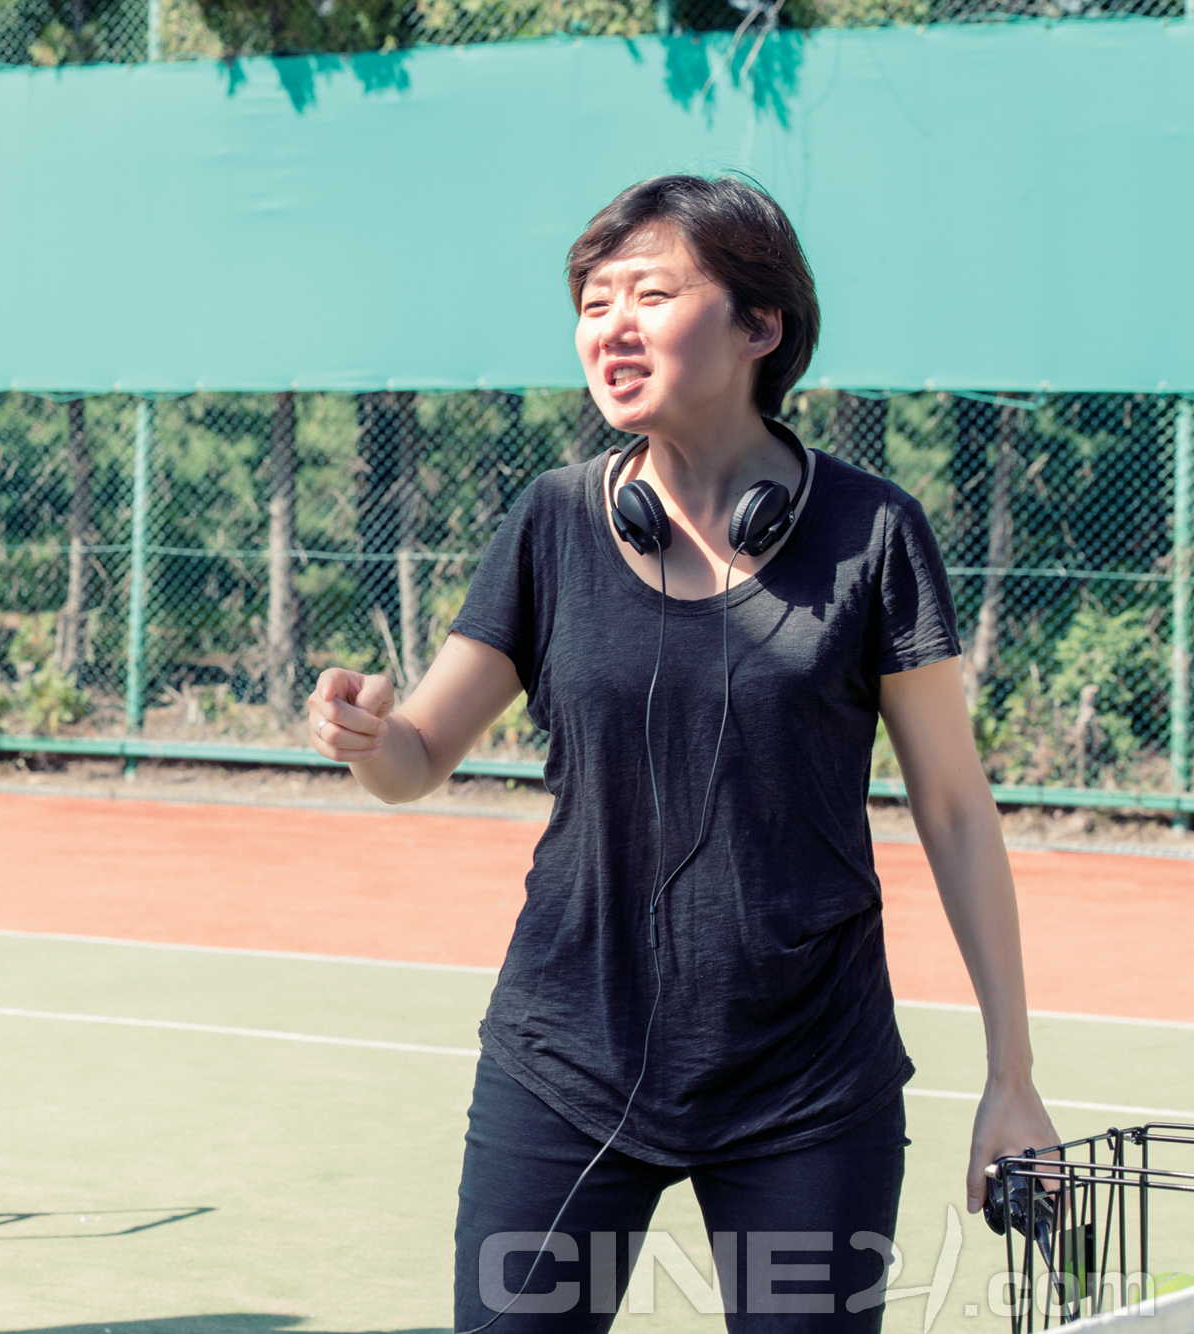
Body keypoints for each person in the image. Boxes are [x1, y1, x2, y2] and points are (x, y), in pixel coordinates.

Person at [305, 175, 1062, 1332]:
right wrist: (364, 734)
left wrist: (1010, 1075)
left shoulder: (871, 532)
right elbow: (415, 757)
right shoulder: (551, 520)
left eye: (649, 294)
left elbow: (955, 810)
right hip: (563, 1063)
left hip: (807, 1087)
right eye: (590, 301)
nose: (609, 325)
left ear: (759, 325)